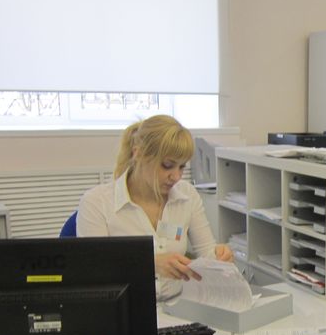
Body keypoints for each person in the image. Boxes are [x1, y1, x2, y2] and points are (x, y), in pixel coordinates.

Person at [77, 114, 233, 301]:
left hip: (177, 306)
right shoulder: (97, 202)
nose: (176, 177)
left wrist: (218, 257)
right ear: (138, 154)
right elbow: (93, 271)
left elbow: (206, 252)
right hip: (126, 308)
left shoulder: (187, 195)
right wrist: (150, 264)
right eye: (167, 165)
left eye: (181, 167)